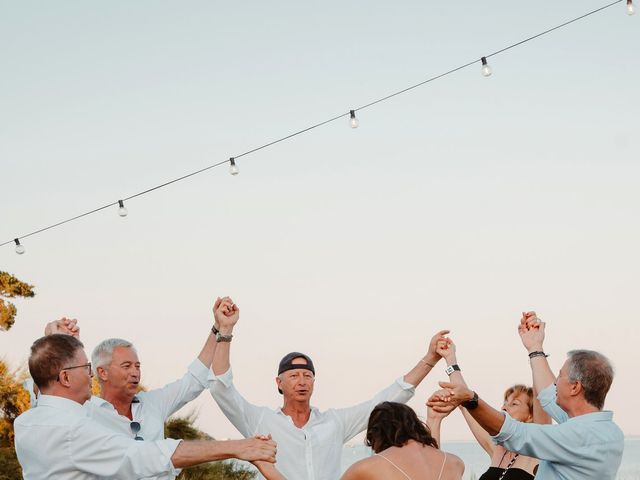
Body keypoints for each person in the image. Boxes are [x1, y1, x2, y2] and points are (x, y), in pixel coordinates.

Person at [208, 297, 451, 480]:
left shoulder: (334, 422)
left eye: (307, 375)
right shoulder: (261, 420)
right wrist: (225, 331)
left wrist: (430, 358)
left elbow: (387, 398)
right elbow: (221, 389)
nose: (301, 381)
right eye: (293, 375)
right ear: (279, 383)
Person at [14, 333, 277, 479]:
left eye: (137, 365)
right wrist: (238, 447)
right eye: (87, 368)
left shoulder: (26, 423)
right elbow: (141, 456)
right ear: (66, 377)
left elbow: (42, 390)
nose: (90, 375)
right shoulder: (76, 428)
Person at [39, 297, 235, 480]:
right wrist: (56, 342)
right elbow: (48, 397)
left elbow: (194, 380)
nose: (135, 372)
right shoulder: (85, 412)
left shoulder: (153, 403)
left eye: (138, 366)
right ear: (102, 372)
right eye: (127, 366)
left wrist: (218, 328)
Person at [427, 311, 624, 479]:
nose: (555, 381)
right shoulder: (594, 427)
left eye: (560, 376)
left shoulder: (580, 436)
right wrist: (535, 348)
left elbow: (515, 432)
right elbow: (547, 393)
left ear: (575, 387)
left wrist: (472, 400)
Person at [428, 336, 546, 479]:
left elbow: (542, 393)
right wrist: (450, 359)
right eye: (505, 402)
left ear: (530, 416)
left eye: (514, 403)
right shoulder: (497, 449)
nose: (504, 407)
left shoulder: (538, 447)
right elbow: (465, 399)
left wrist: (535, 349)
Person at [253, 402, 464, 480]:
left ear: (376, 434)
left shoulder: (368, 467)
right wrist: (435, 421)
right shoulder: (455, 463)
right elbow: (430, 461)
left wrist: (268, 468)